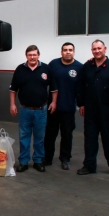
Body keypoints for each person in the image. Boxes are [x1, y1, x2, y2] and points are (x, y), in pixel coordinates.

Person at [9, 45, 58, 173]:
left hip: (41, 110)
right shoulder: (20, 69)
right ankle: (24, 162)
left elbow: (54, 88)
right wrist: (12, 104)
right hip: (25, 110)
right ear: (26, 56)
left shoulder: (46, 69)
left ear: (38, 55)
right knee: (24, 136)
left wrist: (54, 102)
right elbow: (13, 89)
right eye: (30, 55)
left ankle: (38, 161)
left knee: (39, 137)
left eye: (34, 54)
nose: (32, 57)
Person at [76, 39, 109, 176]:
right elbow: (80, 86)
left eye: (99, 48)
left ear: (105, 49)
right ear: (92, 51)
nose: (97, 51)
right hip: (90, 110)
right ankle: (89, 165)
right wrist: (81, 104)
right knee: (89, 139)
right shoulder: (87, 66)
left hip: (108, 110)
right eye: (94, 49)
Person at [44, 42, 83, 170]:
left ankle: (65, 159)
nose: (68, 52)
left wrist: (81, 104)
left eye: (70, 50)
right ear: (61, 52)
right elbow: (44, 81)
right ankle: (47, 158)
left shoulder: (79, 67)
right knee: (50, 134)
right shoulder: (53, 64)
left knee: (67, 135)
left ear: (74, 52)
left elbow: (81, 89)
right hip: (53, 108)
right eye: (65, 50)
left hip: (69, 108)